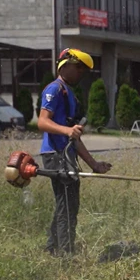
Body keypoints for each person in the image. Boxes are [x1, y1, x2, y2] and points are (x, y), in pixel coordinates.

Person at [37, 48, 112, 255]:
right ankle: (65, 255)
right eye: (79, 68)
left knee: (67, 203)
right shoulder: (54, 89)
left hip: (65, 154)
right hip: (55, 155)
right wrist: (67, 130)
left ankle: (52, 249)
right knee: (67, 205)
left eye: (84, 70)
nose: (81, 73)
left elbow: (73, 139)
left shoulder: (68, 92)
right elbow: (42, 122)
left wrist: (94, 165)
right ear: (65, 65)